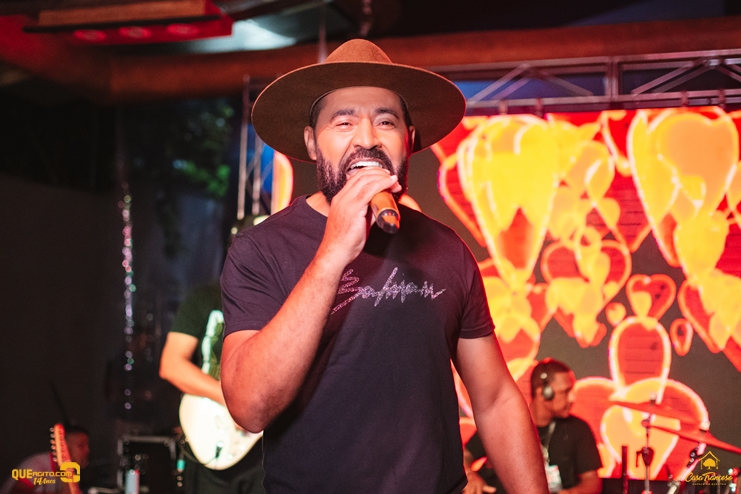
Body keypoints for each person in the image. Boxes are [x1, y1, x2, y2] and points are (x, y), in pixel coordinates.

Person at [219, 38, 548, 494]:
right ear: (312, 143)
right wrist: (332, 252)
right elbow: (250, 407)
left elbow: (494, 399)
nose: (368, 138)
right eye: (344, 121)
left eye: (386, 121)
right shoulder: (261, 249)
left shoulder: (446, 249)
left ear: (407, 141)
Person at [159, 280, 265, 494]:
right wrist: (233, 401)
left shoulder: (285, 300)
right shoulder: (207, 298)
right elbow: (171, 365)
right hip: (216, 432)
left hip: (268, 447)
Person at [529, 359, 602, 494]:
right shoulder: (512, 427)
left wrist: (571, 493)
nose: (573, 398)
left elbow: (592, 482)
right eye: (565, 391)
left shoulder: (578, 429)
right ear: (544, 393)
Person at [1, 424, 89, 494]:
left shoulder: (71, 475)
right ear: (64, 447)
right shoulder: (37, 464)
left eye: (87, 445)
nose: (87, 450)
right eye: (81, 445)